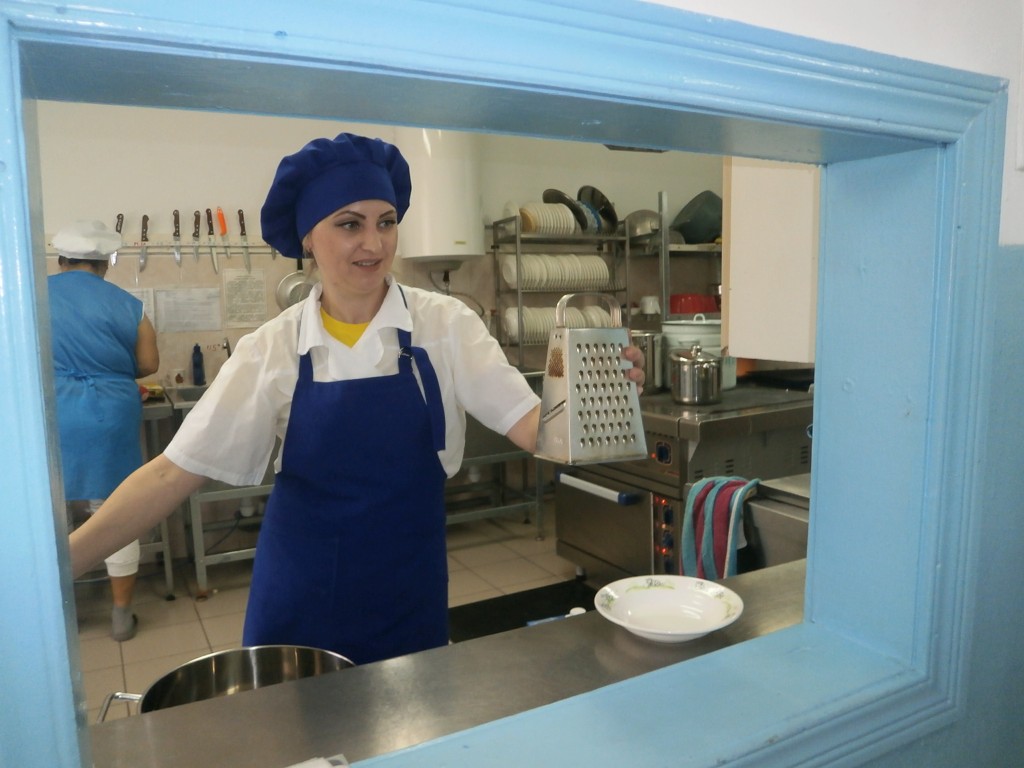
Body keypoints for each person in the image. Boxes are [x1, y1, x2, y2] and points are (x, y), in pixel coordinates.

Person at [69, 132, 644, 664]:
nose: (374, 243)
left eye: (386, 222)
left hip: (408, 589)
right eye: (350, 224)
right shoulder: (272, 348)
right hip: (301, 594)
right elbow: (171, 473)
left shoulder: (446, 325)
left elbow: (537, 429)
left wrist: (598, 391)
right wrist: (60, 564)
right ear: (308, 238)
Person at [50, 220, 160, 641]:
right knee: (114, 509)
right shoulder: (129, 305)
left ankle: (60, 613)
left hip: (52, 411)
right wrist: (110, 370)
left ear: (61, 260)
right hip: (110, 412)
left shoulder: (31, 297)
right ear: (105, 263)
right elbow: (148, 364)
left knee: (52, 514)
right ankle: (121, 616)